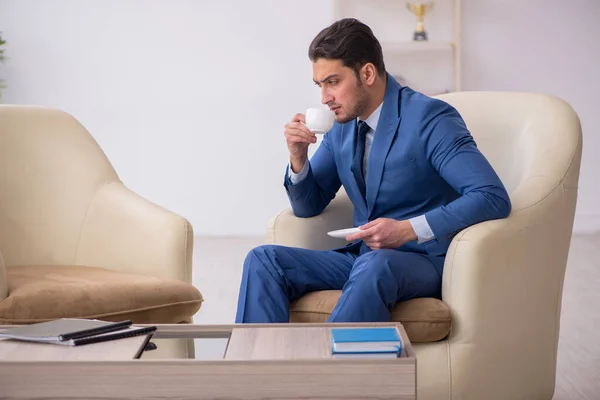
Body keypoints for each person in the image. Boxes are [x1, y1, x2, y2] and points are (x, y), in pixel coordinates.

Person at [235, 18, 511, 323]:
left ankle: (331, 370)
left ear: (367, 73)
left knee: (376, 265)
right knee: (263, 260)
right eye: (320, 85)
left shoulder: (430, 118)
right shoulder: (341, 127)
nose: (324, 98)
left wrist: (407, 229)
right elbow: (308, 206)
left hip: (424, 260)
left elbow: (490, 196)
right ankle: (263, 368)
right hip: (363, 258)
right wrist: (298, 158)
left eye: (333, 82)